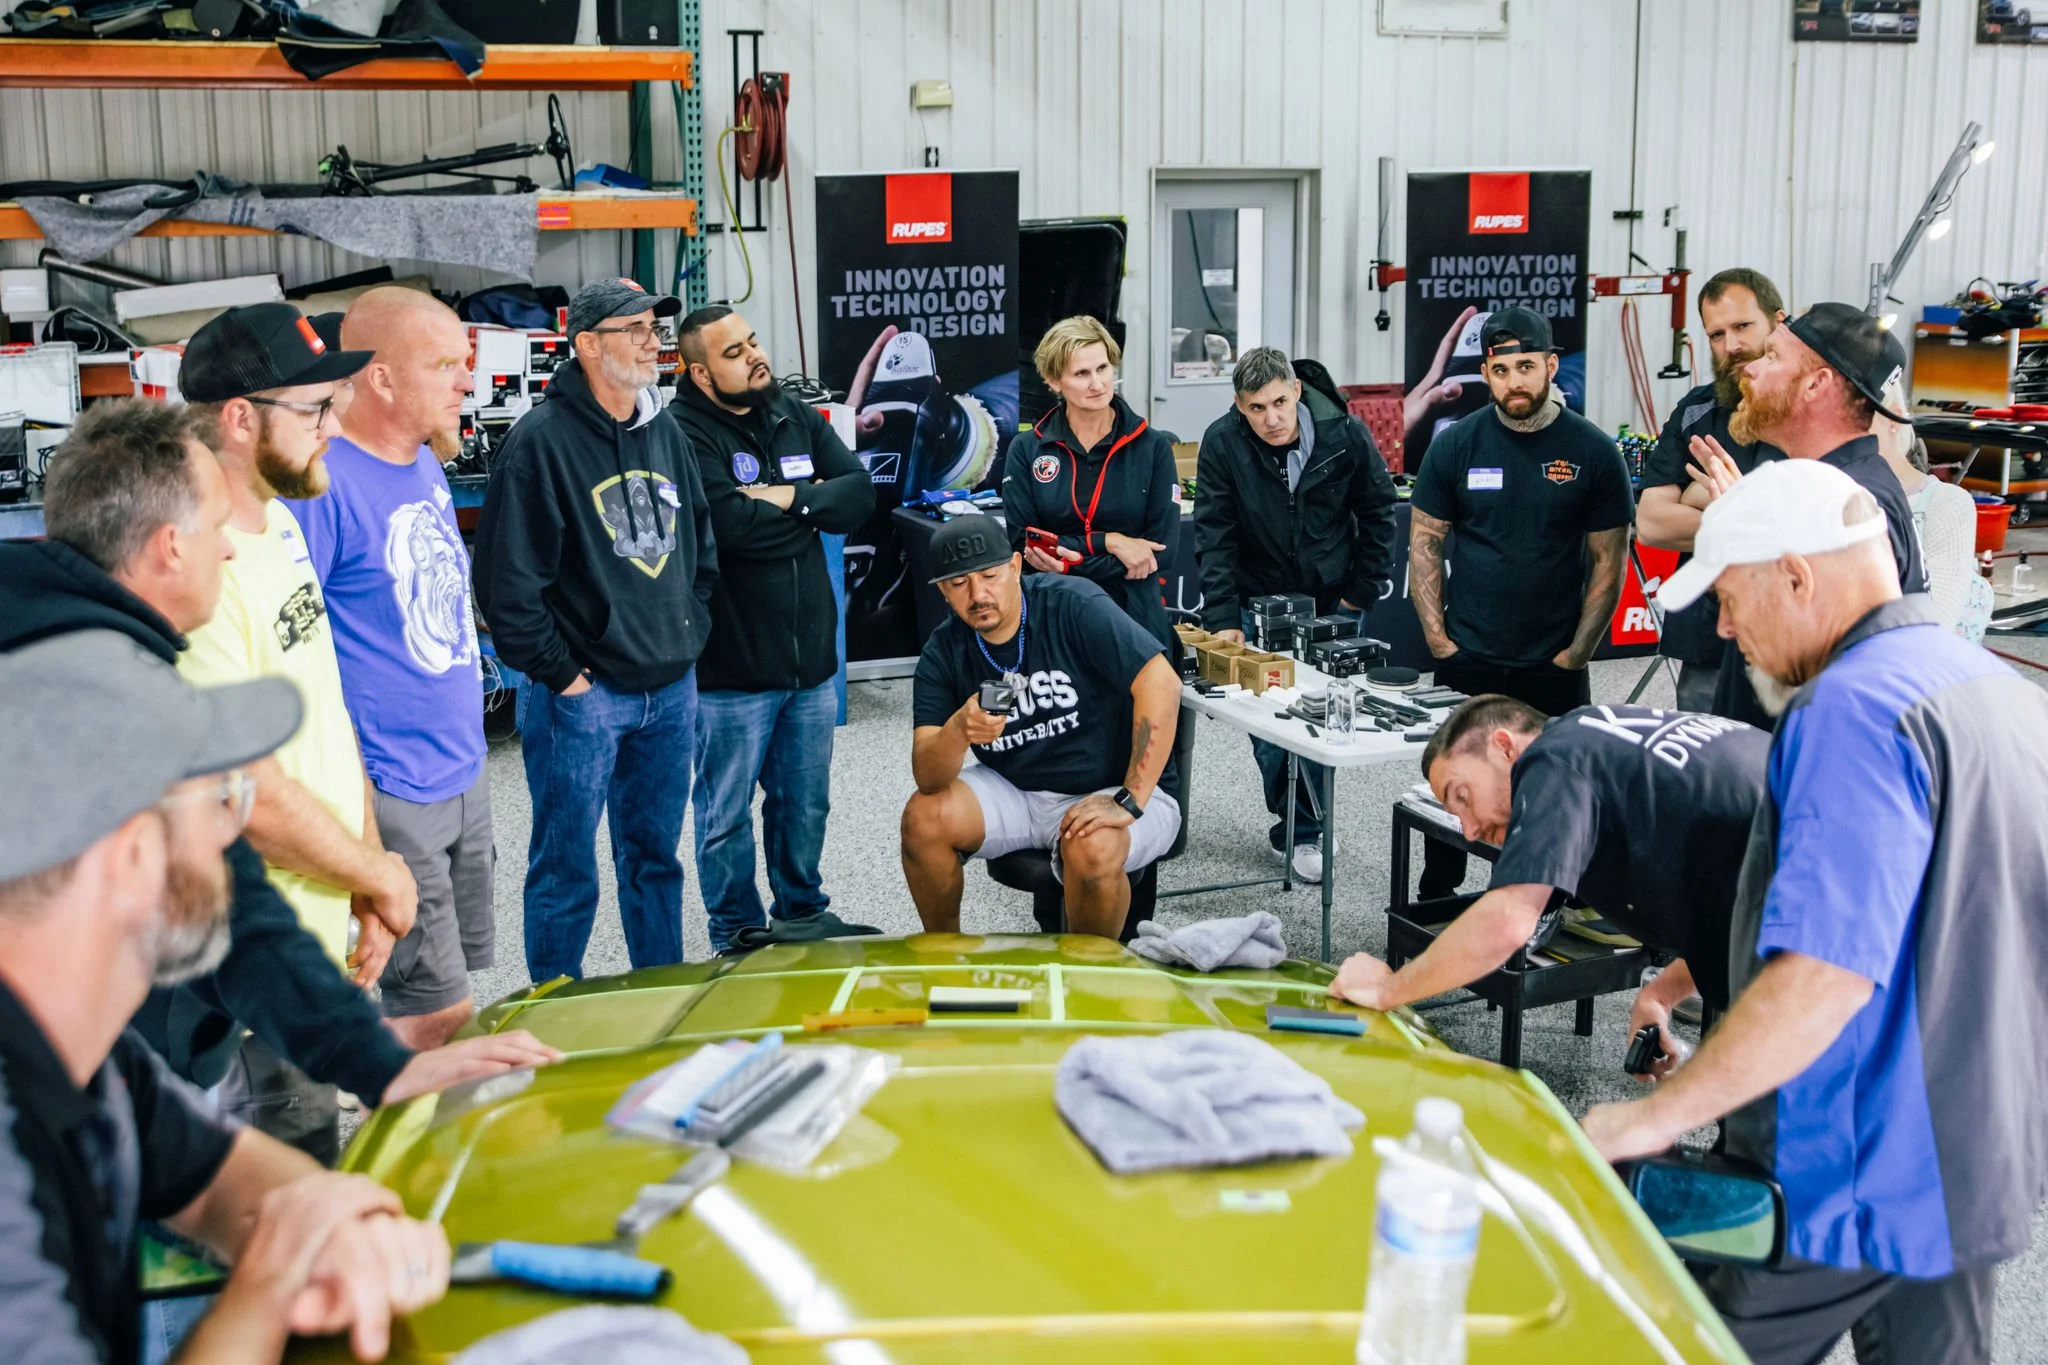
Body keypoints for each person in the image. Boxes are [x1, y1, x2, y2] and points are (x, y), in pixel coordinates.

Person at [1580, 458, 2048, 1365]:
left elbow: (1822, 975)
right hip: (1968, 1160)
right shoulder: (1992, 687)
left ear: (1795, 574)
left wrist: (1652, 1117)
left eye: (1728, 597)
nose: (1723, 629)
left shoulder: (1854, 709)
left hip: (1848, 1173)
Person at [0, 399, 556, 1119]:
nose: (232, 551)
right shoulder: (85, 703)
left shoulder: (118, 663)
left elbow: (228, 893)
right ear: (171, 547)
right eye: (216, 527)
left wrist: (380, 1065)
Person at [0, 630, 452, 1364]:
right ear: (133, 855)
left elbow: (215, 1174)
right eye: (220, 798)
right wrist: (271, 1280)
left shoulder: (89, 1053)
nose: (239, 830)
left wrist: (340, 1220)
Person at [176, 304, 423, 1161]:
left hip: (314, 944)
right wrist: (378, 873)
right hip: (250, 976)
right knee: (271, 1207)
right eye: (315, 409)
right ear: (240, 419)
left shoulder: (278, 520)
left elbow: (325, 706)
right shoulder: (196, 566)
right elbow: (238, 791)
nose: (336, 427)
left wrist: (367, 866)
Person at [474, 279, 719, 983]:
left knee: (655, 858)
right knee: (565, 865)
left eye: (654, 328)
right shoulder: (538, 443)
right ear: (586, 344)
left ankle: (660, 996)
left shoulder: (664, 430)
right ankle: (557, 1009)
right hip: (583, 697)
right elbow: (506, 585)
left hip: (670, 687)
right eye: (634, 329)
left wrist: (687, 635)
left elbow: (699, 545)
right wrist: (564, 677)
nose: (653, 342)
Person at [284, 287, 493, 1050]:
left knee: (456, 990)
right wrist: (361, 814)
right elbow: (296, 655)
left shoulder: (422, 461)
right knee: (429, 1014)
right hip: (395, 788)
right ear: (380, 378)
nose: (466, 380)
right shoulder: (322, 485)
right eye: (444, 365)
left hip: (463, 772)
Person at [1327, 694, 1767, 1041]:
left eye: (1462, 796)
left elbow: (1506, 924)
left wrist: (1387, 990)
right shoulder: (1598, 745)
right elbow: (1726, 888)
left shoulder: (1552, 758)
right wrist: (1661, 994)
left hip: (1798, 969)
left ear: (1504, 747)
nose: (1470, 831)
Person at [1407, 306, 1633, 900]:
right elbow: (1425, 544)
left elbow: (1609, 562)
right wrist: (1439, 642)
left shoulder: (1593, 451)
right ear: (1486, 371)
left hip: (1551, 664)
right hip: (1469, 658)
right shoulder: (1456, 446)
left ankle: (1546, 905)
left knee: (1555, 795)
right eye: (1501, 370)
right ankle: (1436, 904)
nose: (1514, 382)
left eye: (1526, 367)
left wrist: (1577, 653)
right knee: (1455, 789)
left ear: (1551, 366)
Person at [670, 305, 874, 952]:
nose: (755, 355)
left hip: (810, 659)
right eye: (734, 352)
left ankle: (801, 912)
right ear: (701, 374)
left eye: (753, 341)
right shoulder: (682, 434)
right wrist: (813, 511)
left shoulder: (790, 411)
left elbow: (859, 494)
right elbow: (727, 528)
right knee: (725, 812)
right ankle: (737, 930)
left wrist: (791, 498)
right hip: (731, 666)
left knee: (804, 802)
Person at [901, 518, 1181, 939]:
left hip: (1115, 784)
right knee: (923, 818)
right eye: (959, 584)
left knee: (1093, 845)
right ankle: (945, 955)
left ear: (1016, 566)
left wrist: (1130, 797)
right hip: (1018, 790)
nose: (978, 595)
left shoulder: (1072, 603)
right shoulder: (944, 650)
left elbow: (1162, 684)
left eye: (990, 576)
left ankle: (1087, 973)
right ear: (942, 590)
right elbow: (928, 776)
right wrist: (958, 730)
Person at [1193, 347, 1397, 880]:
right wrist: (1223, 618)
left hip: (1332, 602)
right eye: (1257, 408)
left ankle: (1310, 822)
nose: (1272, 419)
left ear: (1297, 391)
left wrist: (1360, 595)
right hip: (1255, 602)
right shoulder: (1221, 442)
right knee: (1270, 726)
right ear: (1239, 405)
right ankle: (1301, 830)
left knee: (1327, 719)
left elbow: (1379, 511)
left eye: (1280, 403)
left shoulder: (1343, 432)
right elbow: (1214, 534)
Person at [1683, 301, 1929, 728]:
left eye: (1773, 356)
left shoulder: (1851, 502)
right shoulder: (1824, 487)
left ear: (1816, 384)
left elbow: (1843, 684)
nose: (1750, 368)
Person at [1635, 268, 1788, 710]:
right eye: (1716, 335)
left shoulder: (1808, 407)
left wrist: (1701, 498)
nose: (1731, 345)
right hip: (1707, 638)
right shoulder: (1696, 411)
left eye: (1743, 326)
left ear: (1778, 322)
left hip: (1791, 634)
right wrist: (1753, 517)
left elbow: (1809, 522)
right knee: (1704, 748)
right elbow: (1651, 523)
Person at [1002, 315, 1179, 648]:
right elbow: (1025, 545)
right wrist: (1112, 542)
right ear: (1054, 381)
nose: (1097, 383)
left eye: (1103, 368)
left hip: (1134, 619)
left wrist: (1070, 563)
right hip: (1054, 616)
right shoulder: (1027, 449)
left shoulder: (1153, 446)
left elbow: (1161, 552)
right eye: (1081, 373)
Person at [1872, 379, 1990, 643]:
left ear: (1892, 418)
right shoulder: (1827, 493)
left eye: (1857, 420)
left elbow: (1933, 628)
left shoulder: (1944, 503)